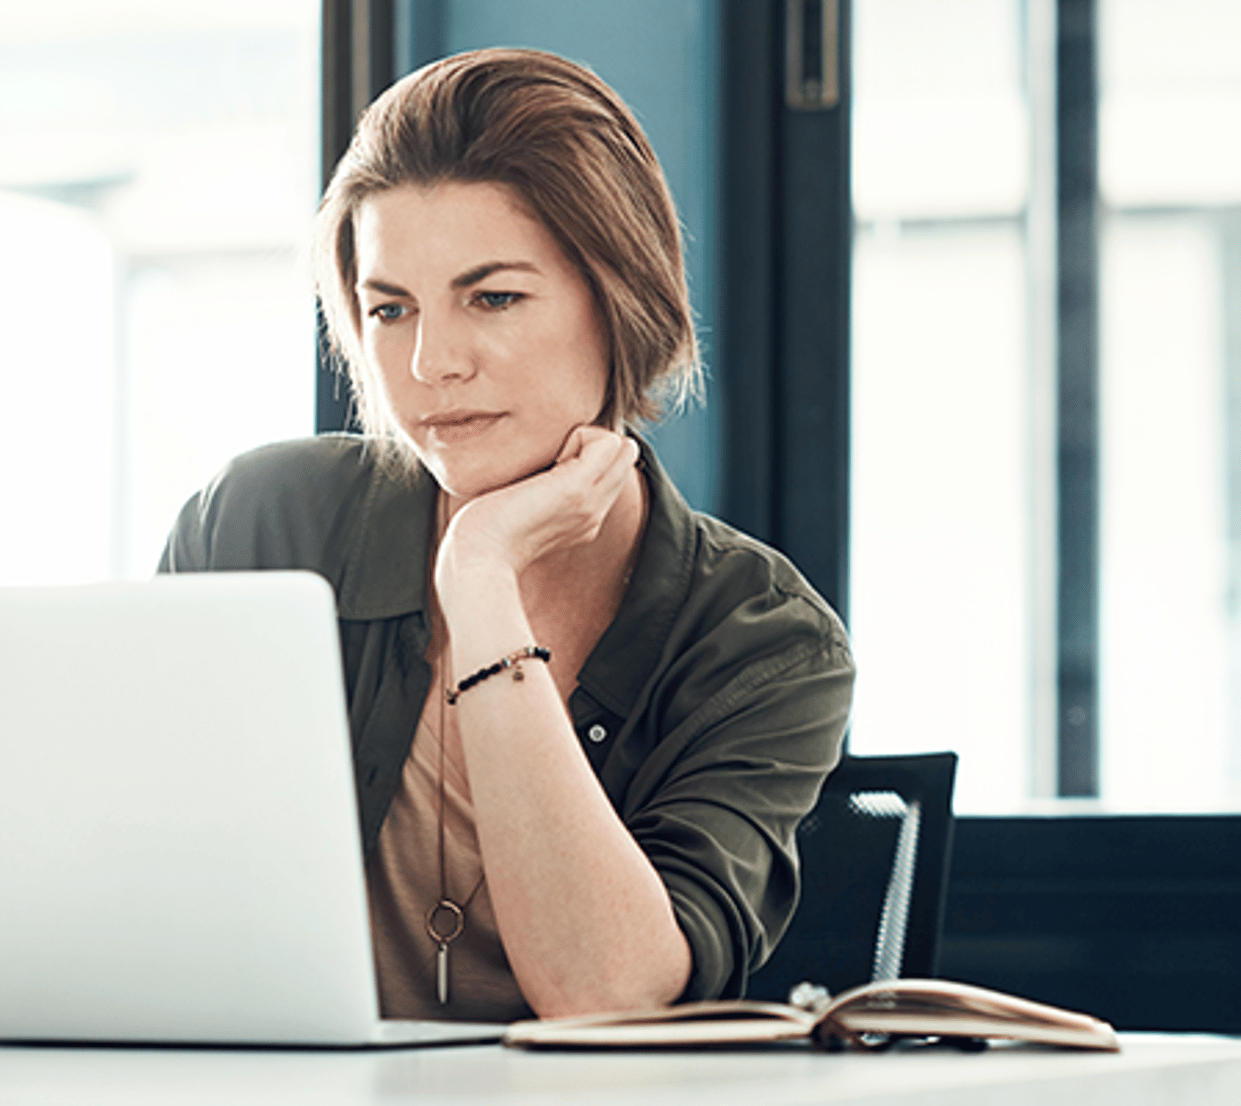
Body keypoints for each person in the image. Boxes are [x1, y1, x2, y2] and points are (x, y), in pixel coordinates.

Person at [158, 47, 854, 1024]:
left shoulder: (762, 639)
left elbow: (603, 992)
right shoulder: (262, 522)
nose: (431, 362)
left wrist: (481, 580)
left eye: (493, 298)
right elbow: (130, 887)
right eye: (390, 309)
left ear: (621, 303)